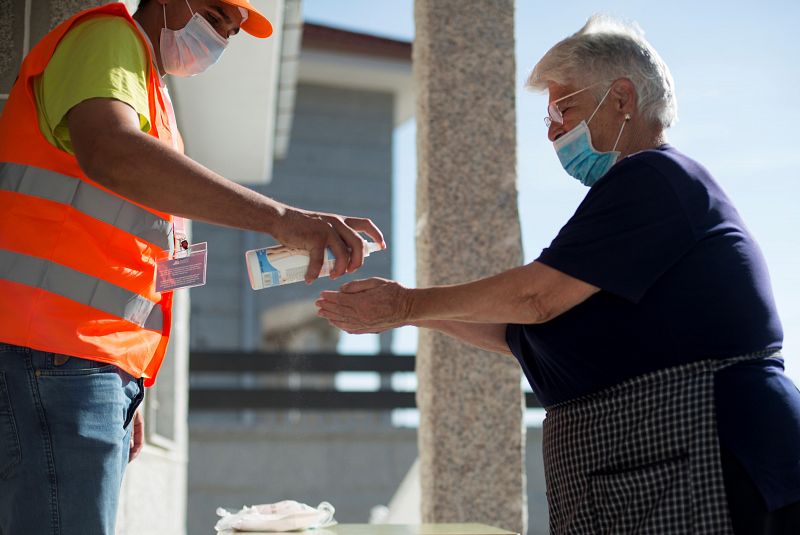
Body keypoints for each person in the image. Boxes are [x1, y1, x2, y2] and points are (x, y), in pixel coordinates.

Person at [315, 14, 800, 534]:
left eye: (561, 107)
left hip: (715, 453)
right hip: (649, 466)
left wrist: (409, 305)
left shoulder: (655, 178)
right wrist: (405, 313)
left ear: (621, 99)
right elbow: (520, 332)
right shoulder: (622, 200)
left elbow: (536, 298)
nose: (550, 130)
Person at [0, 1, 384, 533]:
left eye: (231, 28)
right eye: (214, 14)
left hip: (84, 363)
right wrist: (280, 219)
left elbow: (156, 260)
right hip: (54, 352)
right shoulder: (108, 39)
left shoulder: (153, 96)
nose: (222, 34)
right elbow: (109, 151)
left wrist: (131, 386)